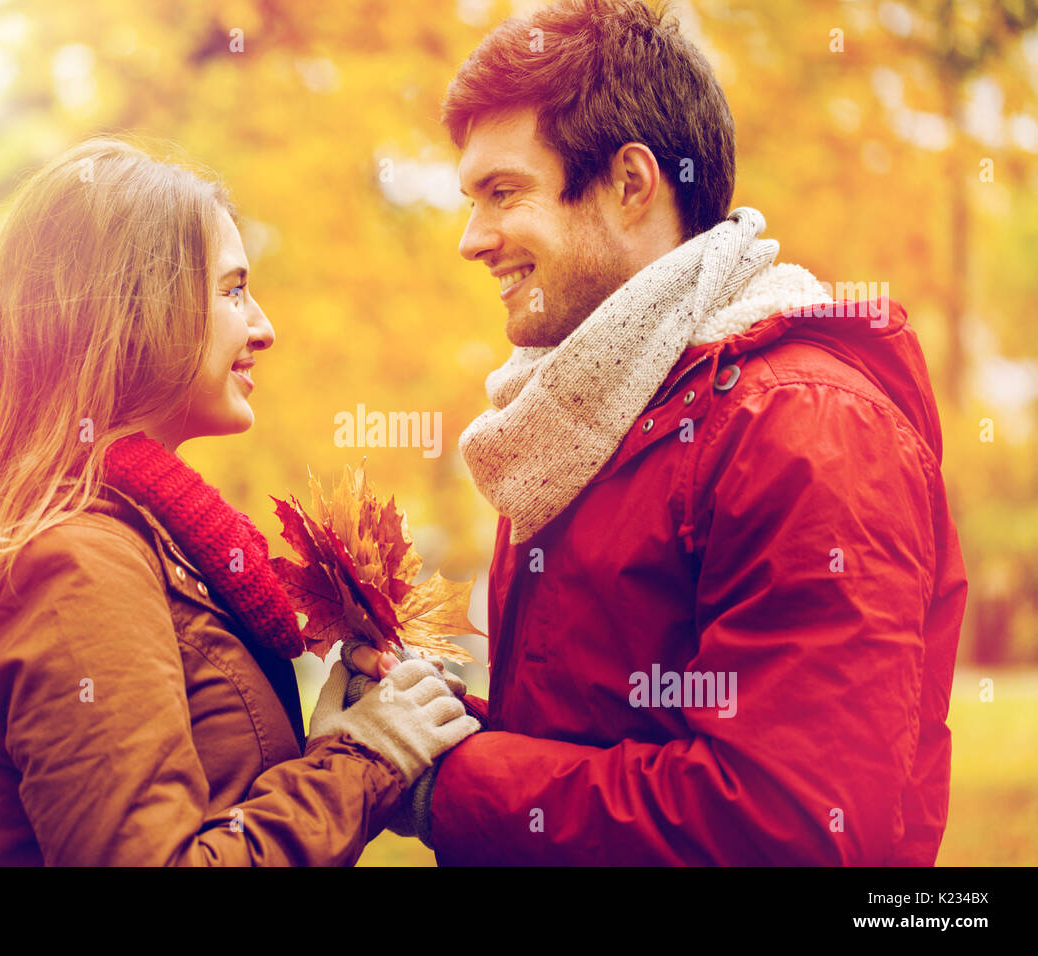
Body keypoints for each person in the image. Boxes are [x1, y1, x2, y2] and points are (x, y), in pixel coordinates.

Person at [348, 0, 968, 865]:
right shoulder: (584, 417)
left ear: (632, 182)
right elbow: (603, 740)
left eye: (503, 193)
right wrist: (436, 727)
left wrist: (455, 784)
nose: (471, 240)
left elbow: (788, 831)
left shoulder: (807, 430)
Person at [0, 137, 479, 866]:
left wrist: (333, 747)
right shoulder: (78, 567)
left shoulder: (149, 542)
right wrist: (363, 763)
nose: (264, 327)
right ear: (138, 310)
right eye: (233, 291)